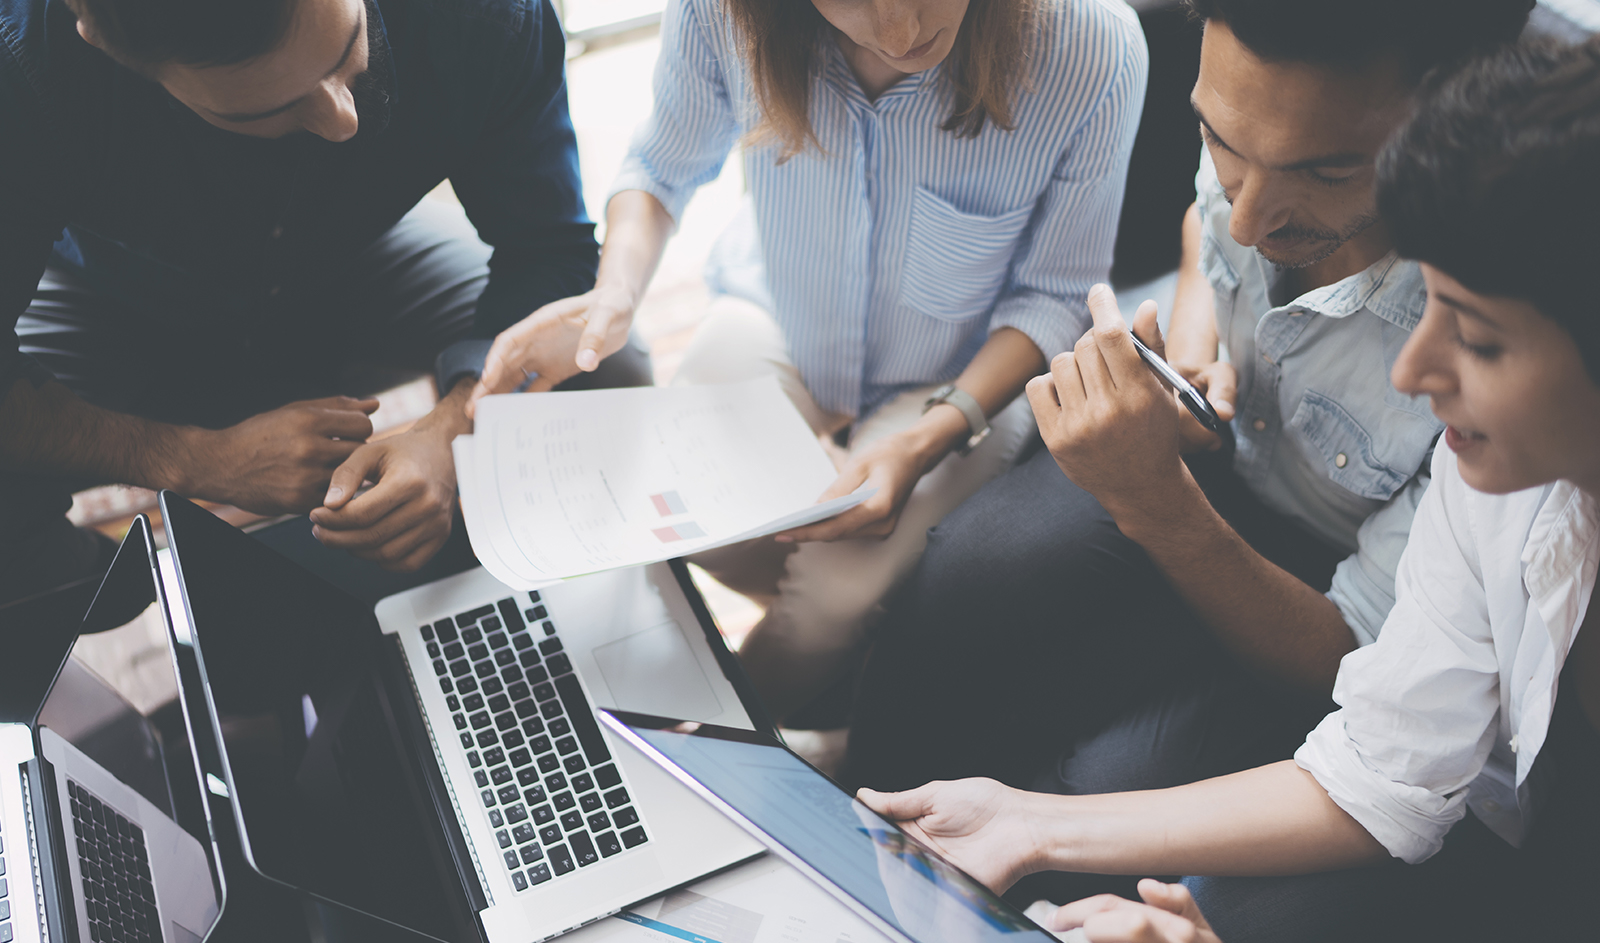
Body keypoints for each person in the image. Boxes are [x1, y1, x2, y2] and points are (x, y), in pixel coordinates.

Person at [859, 37, 1600, 943]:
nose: (1415, 373)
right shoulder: (1503, 474)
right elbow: (1385, 771)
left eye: (1480, 340)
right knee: (980, 576)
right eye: (1222, 145)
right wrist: (1026, 824)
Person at [843, 0, 1532, 812]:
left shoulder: (1489, 334)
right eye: (1221, 143)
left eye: (1324, 173)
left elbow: (1356, 665)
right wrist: (1195, 348)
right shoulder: (1264, 121)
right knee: (967, 569)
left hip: (1333, 599)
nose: (1248, 217)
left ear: (1454, 117)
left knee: (1103, 784)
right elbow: (1205, 230)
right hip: (1214, 466)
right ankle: (849, 801)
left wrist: (1156, 501)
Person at [468, 0, 1148, 719]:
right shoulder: (725, 12)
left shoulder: (1090, 47)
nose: (900, 36)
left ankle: (723, 736)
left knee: (836, 596)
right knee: (702, 528)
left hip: (966, 372)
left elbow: (1054, 294)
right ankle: (863, 657)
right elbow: (661, 164)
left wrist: (925, 440)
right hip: (781, 309)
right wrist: (614, 291)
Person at [0, 0, 650, 604]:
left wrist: (456, 431)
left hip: (355, 264)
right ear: (100, 41)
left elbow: (548, 250)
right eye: (267, 112)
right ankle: (169, 608)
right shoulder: (24, 67)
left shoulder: (482, 14)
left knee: (605, 370)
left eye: (349, 52)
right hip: (114, 302)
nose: (345, 122)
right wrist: (188, 458)